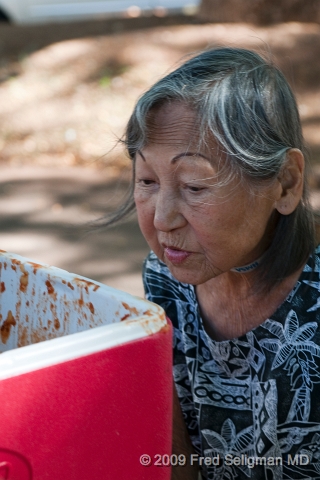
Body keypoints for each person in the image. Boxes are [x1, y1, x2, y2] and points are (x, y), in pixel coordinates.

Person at [106, 48, 320, 479]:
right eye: (147, 181)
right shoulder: (167, 279)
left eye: (194, 186)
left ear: (285, 183)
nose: (162, 219)